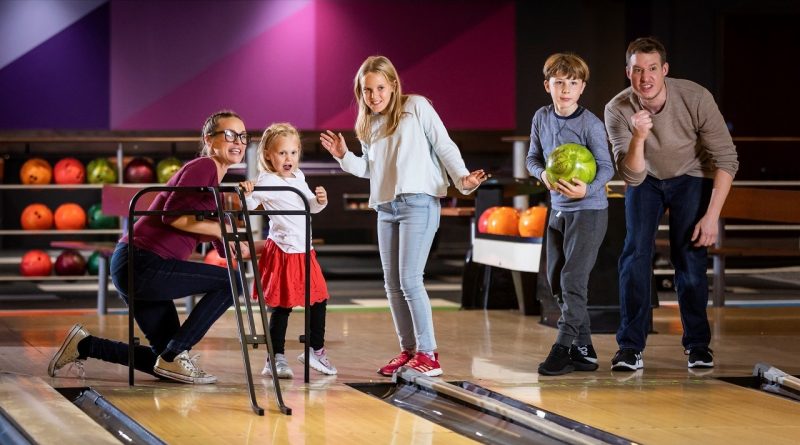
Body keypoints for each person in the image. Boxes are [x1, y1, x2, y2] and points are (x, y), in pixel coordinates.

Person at [48, 110, 252, 384]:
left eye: (242, 136)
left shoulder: (214, 188)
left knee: (165, 366)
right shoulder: (203, 167)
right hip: (143, 261)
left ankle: (86, 345)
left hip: (136, 265)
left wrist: (271, 237)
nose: (237, 141)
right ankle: (176, 354)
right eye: (229, 134)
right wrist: (220, 227)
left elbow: (228, 250)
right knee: (233, 283)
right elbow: (171, 216)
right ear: (209, 139)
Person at [320, 55, 487, 377]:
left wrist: (462, 179)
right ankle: (409, 350)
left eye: (380, 88)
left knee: (410, 280)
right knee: (393, 285)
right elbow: (369, 169)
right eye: (367, 91)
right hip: (386, 206)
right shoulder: (369, 124)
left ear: (394, 85)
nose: (375, 96)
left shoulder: (417, 107)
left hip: (418, 203)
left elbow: (444, 145)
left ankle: (429, 354)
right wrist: (343, 156)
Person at [604, 37, 738, 371]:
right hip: (645, 178)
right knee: (635, 253)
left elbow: (727, 159)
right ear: (628, 72)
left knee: (688, 256)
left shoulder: (695, 97)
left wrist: (711, 218)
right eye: (637, 70)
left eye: (652, 69)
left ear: (664, 70)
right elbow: (632, 176)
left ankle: (697, 345)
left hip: (692, 174)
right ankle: (630, 347)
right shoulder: (617, 109)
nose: (645, 77)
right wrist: (638, 137)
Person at [526, 53, 615, 375]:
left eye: (573, 83)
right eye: (559, 82)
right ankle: (585, 350)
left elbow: (606, 167)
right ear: (547, 85)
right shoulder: (541, 117)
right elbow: (533, 158)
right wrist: (542, 176)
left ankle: (562, 348)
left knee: (572, 280)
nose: (566, 89)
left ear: (582, 88)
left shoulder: (590, 123)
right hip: (557, 212)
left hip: (589, 211)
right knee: (557, 282)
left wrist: (586, 190)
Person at [239, 122, 336, 379]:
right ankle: (275, 357)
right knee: (282, 307)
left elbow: (309, 207)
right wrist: (248, 193)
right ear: (269, 155)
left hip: (305, 251)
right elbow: (249, 207)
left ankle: (315, 350)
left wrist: (320, 202)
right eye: (282, 153)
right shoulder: (267, 179)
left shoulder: (299, 177)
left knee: (318, 299)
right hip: (283, 251)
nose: (289, 158)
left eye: (293, 152)